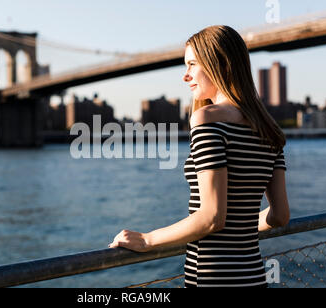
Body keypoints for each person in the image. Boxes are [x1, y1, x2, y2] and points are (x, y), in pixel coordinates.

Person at [109, 25, 290, 288]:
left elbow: (211, 217)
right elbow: (280, 216)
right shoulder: (269, 130)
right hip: (252, 278)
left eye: (192, 64)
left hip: (212, 279)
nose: (185, 76)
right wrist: (241, 228)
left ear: (222, 64)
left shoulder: (207, 120)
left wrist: (147, 240)